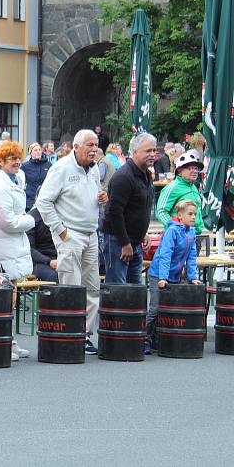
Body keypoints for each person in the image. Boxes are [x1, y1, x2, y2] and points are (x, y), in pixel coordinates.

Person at [36, 129, 107, 356]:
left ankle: (84, 335)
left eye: (96, 145)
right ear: (75, 147)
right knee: (72, 285)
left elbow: (93, 193)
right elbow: (43, 202)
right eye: (89, 145)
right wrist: (61, 231)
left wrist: (102, 197)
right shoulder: (61, 169)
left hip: (90, 232)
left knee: (92, 286)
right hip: (71, 232)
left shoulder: (94, 168)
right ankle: (70, 331)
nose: (94, 149)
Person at [0, 141, 34, 360]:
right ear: (0, 161)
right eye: (11, 158)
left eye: (18, 157)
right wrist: (32, 219)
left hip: (13, 246)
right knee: (1, 296)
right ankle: (1, 341)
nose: (17, 161)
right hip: (0, 246)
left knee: (11, 296)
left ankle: (10, 341)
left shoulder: (16, 180)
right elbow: (9, 223)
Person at [144, 200, 203, 354]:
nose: (193, 217)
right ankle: (144, 339)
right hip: (158, 274)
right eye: (190, 214)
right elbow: (165, 254)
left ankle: (157, 339)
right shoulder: (172, 231)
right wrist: (163, 277)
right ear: (180, 215)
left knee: (168, 309)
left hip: (175, 275)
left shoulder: (191, 232)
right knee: (155, 308)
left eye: (195, 214)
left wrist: (192, 277)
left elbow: (191, 256)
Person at [100, 133, 157, 285]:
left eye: (154, 150)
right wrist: (125, 243)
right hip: (118, 241)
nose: (152, 154)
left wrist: (143, 234)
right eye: (148, 151)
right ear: (134, 151)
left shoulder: (146, 174)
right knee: (118, 289)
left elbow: (139, 208)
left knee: (135, 289)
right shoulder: (123, 176)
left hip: (135, 241)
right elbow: (114, 212)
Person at [155, 151, 205, 235]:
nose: (194, 171)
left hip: (194, 236)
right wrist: (176, 228)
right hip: (178, 238)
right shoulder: (172, 187)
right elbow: (161, 212)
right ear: (180, 171)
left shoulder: (193, 187)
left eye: (196, 168)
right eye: (190, 168)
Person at [27, 208, 58, 283]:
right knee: (54, 277)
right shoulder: (31, 218)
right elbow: (28, 249)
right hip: (38, 262)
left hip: (59, 259)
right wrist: (49, 261)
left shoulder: (61, 215)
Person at [20, 142, 52, 211]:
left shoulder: (48, 165)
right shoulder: (25, 166)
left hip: (45, 199)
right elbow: (20, 182)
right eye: (35, 150)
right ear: (31, 153)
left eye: (39, 150)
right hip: (30, 200)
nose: (38, 152)